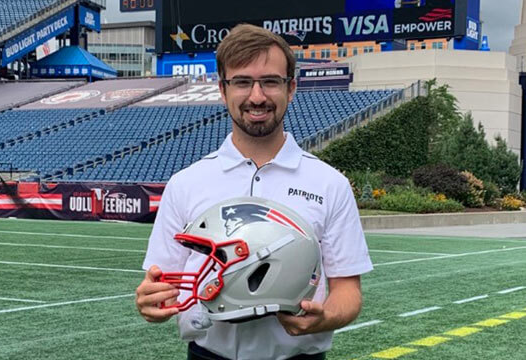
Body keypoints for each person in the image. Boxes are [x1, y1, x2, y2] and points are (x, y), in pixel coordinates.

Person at [135, 24, 373, 360]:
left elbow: (348, 293)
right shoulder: (186, 183)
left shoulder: (329, 183)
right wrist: (149, 300)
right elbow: (158, 281)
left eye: (270, 82)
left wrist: (324, 319)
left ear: (291, 88)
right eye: (243, 82)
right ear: (223, 89)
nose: (257, 96)